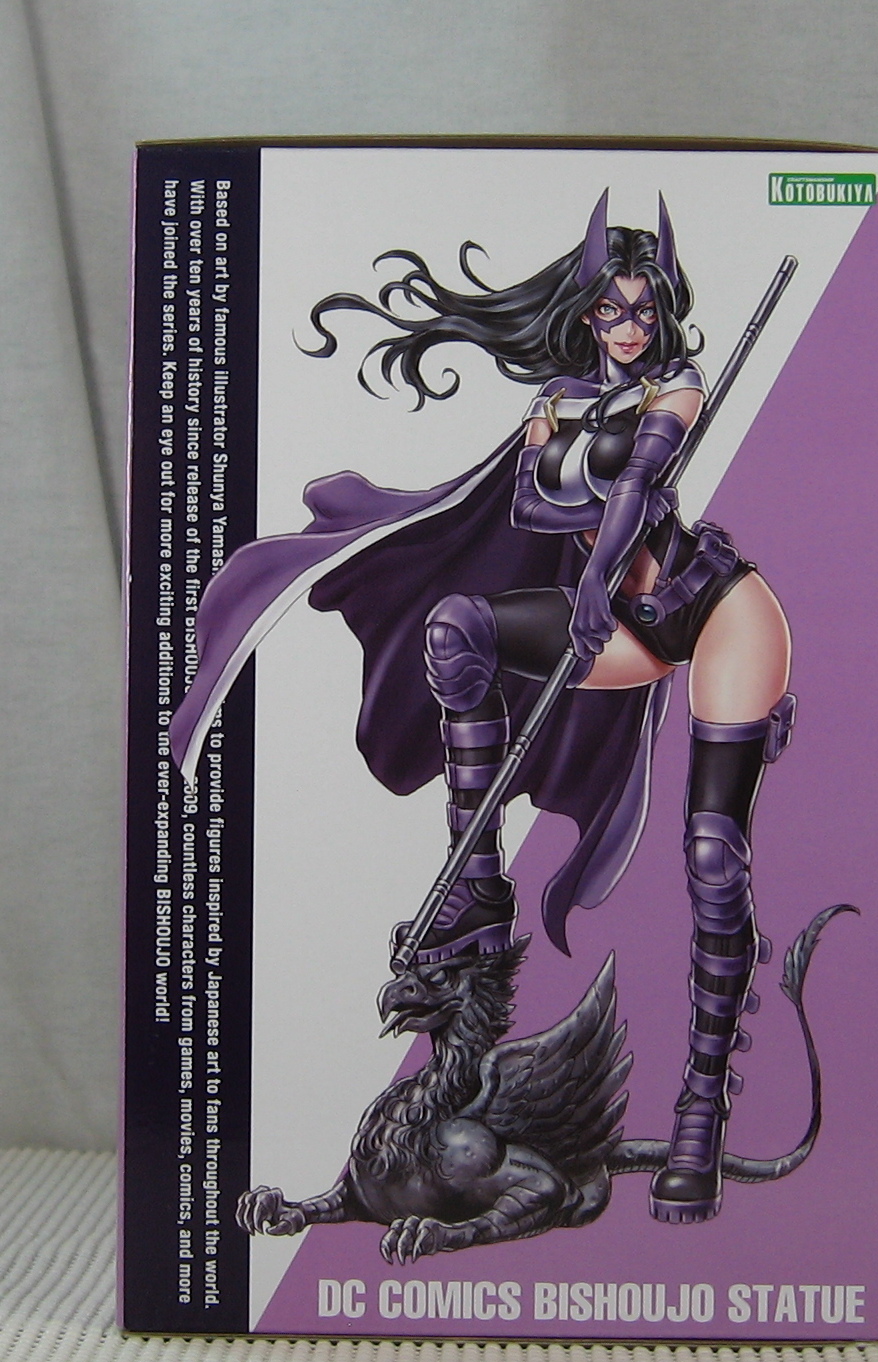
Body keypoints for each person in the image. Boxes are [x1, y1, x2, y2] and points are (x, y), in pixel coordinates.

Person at [171, 191, 795, 1225]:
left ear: (664, 313)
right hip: (623, 619)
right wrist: (591, 538)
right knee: (456, 627)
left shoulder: (677, 386)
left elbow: (635, 484)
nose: (628, 326)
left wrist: (600, 550)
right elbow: (529, 503)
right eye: (611, 310)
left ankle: (700, 1111)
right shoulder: (556, 399)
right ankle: (476, 880)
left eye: (644, 309)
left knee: (712, 860)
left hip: (715, 609)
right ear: (585, 314)